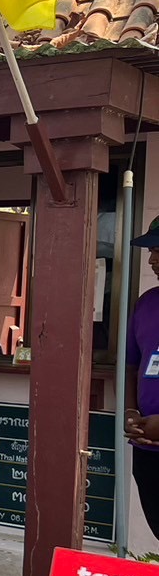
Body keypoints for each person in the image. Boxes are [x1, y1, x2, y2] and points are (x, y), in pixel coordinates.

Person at [125, 219, 159, 526]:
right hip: (146, 448)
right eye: (151, 251)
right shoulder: (146, 304)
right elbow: (131, 365)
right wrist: (130, 411)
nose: (152, 260)